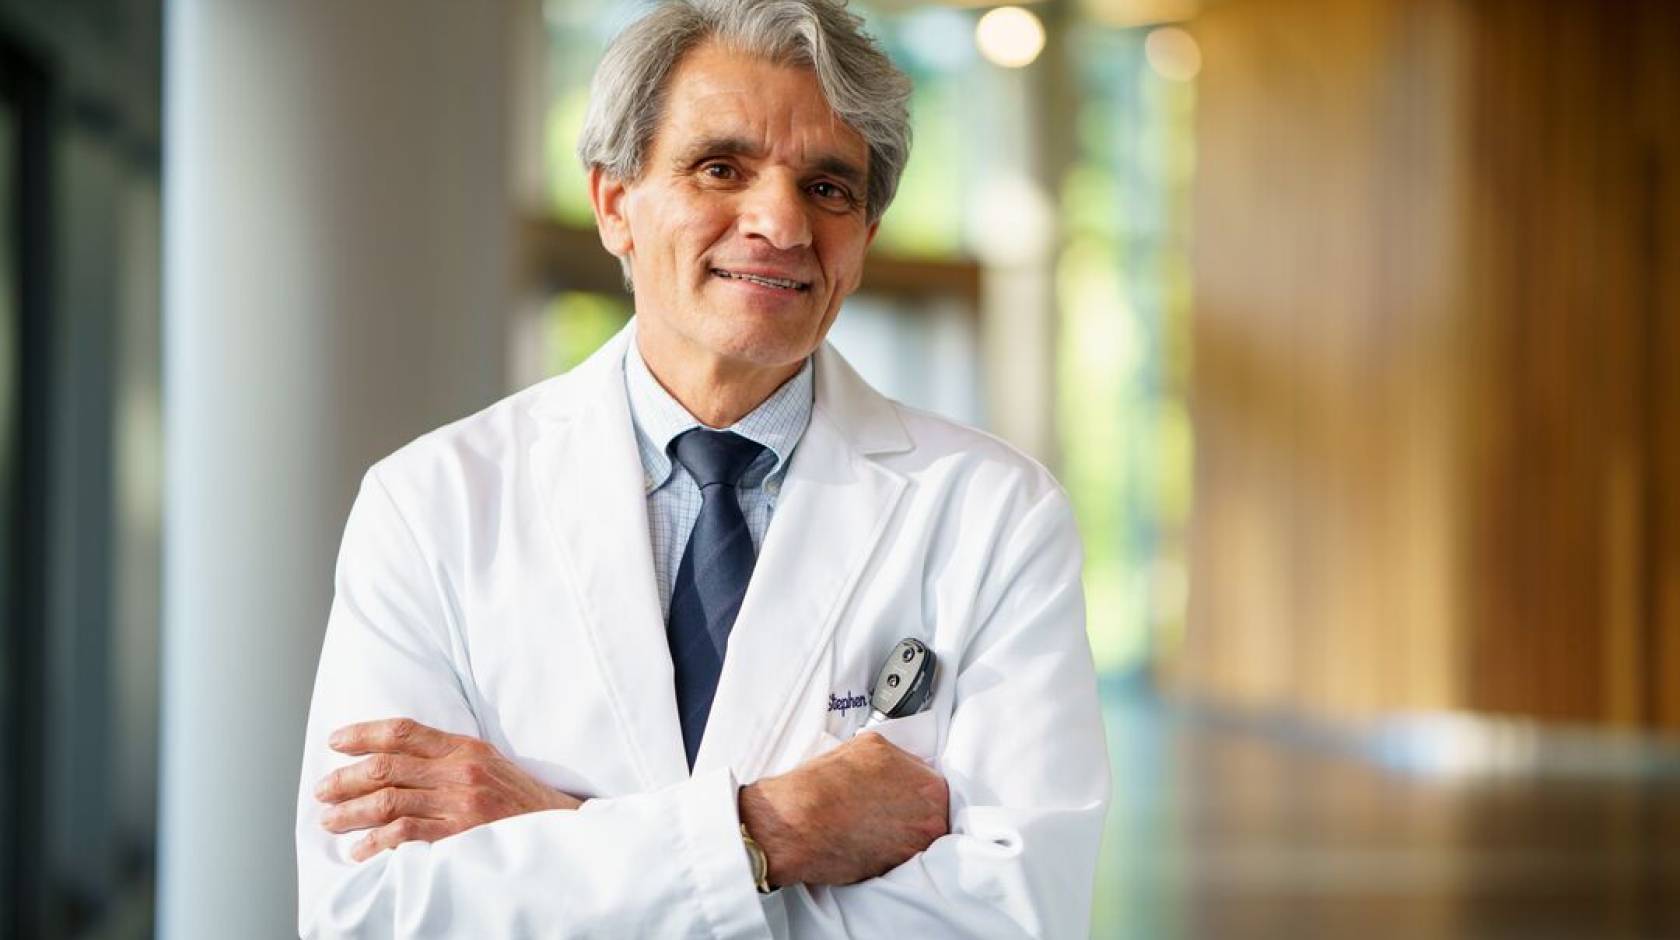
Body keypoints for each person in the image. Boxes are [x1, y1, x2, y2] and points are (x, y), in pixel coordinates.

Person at [295, 0, 1109, 936]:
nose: (780, 222)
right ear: (614, 205)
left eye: (830, 188)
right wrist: (772, 830)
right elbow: (370, 911)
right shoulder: (431, 504)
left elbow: (1016, 912)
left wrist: (554, 838)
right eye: (721, 168)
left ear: (866, 236)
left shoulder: (994, 514)